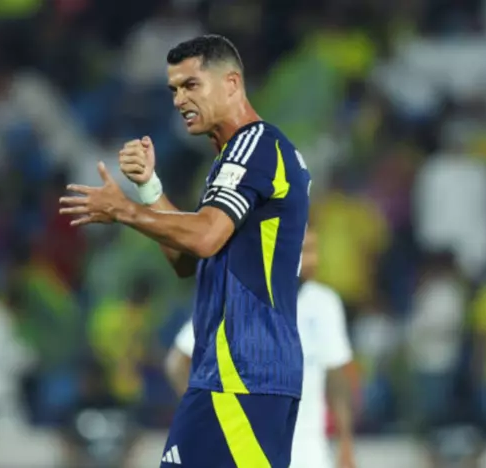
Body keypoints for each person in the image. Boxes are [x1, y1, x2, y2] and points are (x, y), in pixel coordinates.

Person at [60, 34, 310, 467]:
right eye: (174, 89)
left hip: (244, 374)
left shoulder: (255, 147)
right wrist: (148, 188)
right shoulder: (233, 159)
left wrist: (123, 210)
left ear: (231, 83)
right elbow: (187, 260)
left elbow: (204, 236)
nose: (179, 100)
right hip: (228, 375)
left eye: (191, 85)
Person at [166, 230, 357, 468]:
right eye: (305, 251)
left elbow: (336, 377)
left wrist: (345, 443)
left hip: (308, 449)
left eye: (314, 251)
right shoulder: (238, 297)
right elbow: (178, 362)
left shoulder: (324, 303)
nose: (313, 260)